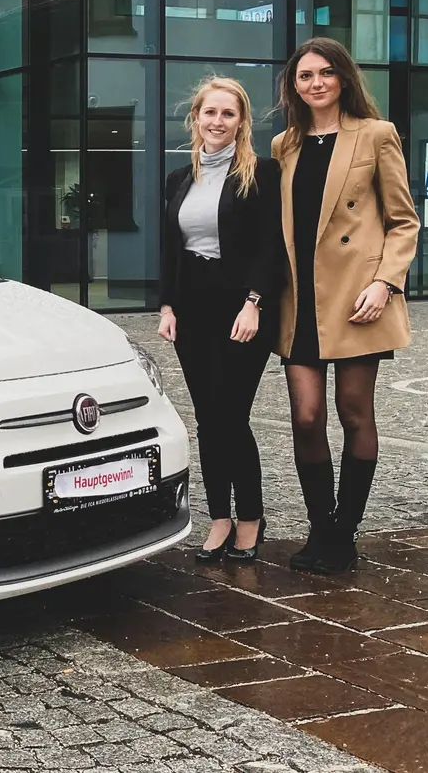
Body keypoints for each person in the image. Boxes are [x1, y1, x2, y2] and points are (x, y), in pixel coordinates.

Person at [271, 37, 419, 575]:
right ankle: (321, 526)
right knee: (305, 417)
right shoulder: (284, 144)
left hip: (360, 298)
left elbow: (404, 221)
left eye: (325, 73)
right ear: (294, 85)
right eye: (305, 75)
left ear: (343, 79)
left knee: (354, 414)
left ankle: (344, 533)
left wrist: (385, 283)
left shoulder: (376, 135)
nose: (315, 83)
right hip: (300, 300)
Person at [157, 76, 282, 564]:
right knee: (208, 421)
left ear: (241, 121)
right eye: (210, 112)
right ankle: (219, 519)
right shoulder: (179, 178)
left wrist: (255, 302)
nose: (217, 121)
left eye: (228, 114)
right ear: (196, 118)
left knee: (231, 417)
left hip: (242, 312)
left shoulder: (261, 174)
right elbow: (171, 249)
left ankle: (251, 518)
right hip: (193, 313)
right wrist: (167, 306)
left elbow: (272, 246)